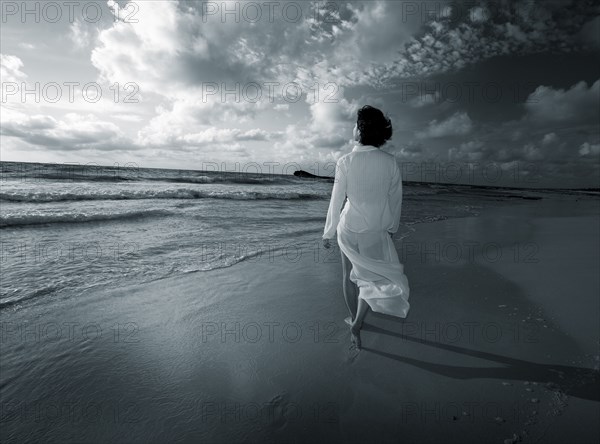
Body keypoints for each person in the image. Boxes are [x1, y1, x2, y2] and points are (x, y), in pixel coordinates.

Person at [322, 105, 410, 349]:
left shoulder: (345, 161)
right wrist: (392, 226)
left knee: (348, 276)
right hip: (376, 229)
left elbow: (337, 199)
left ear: (360, 129)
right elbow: (395, 199)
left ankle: (354, 319)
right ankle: (358, 320)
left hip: (349, 227)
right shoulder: (390, 162)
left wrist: (328, 231)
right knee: (369, 279)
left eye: (355, 123)